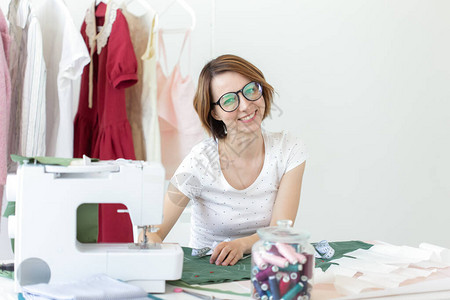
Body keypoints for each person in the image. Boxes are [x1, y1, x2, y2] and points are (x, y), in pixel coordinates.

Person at [141, 54, 307, 266]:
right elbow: (152, 232)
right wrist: (148, 249)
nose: (246, 105)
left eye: (250, 90)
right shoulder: (199, 162)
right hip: (210, 270)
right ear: (214, 113)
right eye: (229, 100)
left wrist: (242, 244)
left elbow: (280, 231)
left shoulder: (289, 149)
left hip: (266, 267)